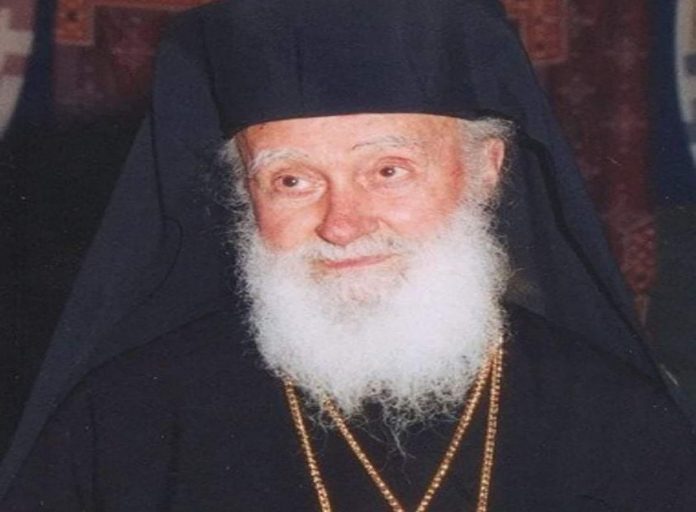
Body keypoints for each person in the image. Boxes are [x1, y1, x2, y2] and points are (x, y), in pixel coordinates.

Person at [2, 0, 696, 510]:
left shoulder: (615, 421)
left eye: (388, 170)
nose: (341, 225)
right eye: (292, 181)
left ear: (486, 168)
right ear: (244, 194)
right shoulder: (124, 422)